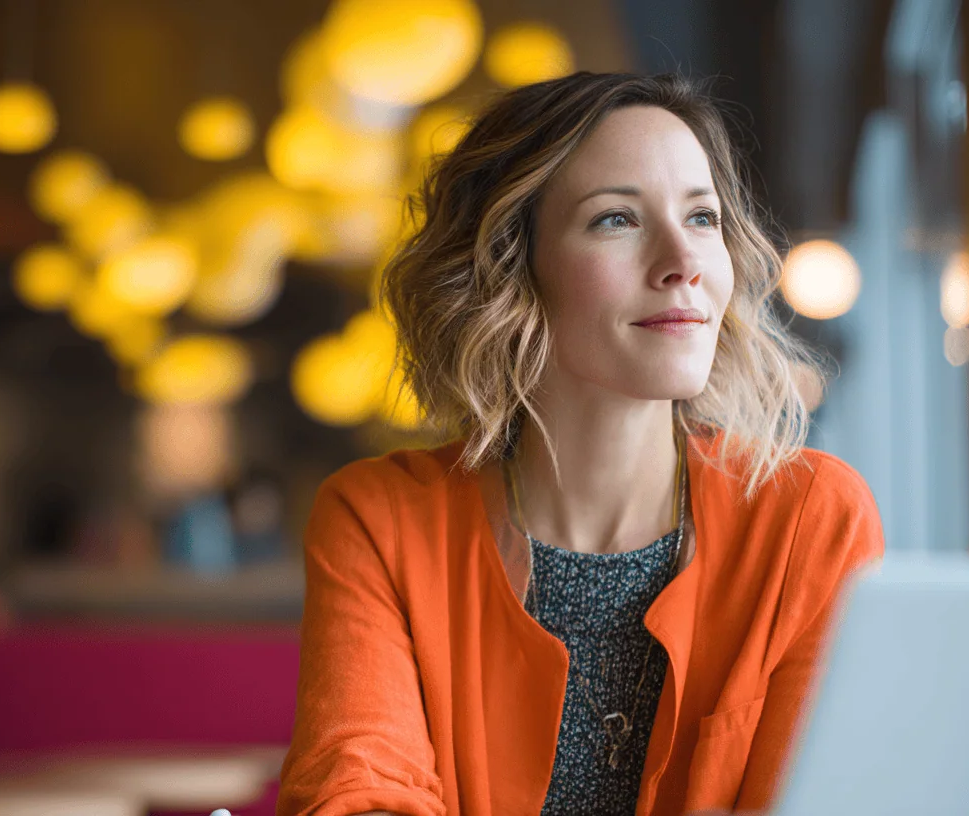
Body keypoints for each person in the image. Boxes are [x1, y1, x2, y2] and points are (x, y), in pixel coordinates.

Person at [277, 73, 885, 816]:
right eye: (616, 220)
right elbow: (357, 793)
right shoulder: (380, 520)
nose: (684, 261)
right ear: (508, 268)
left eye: (702, 217)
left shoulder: (811, 519)